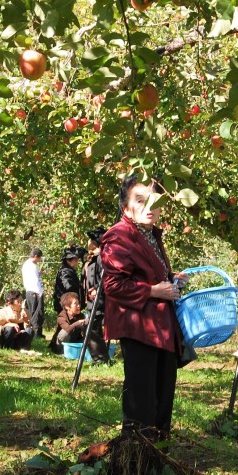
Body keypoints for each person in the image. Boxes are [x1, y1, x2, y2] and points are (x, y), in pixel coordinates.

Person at [101, 176, 187, 442]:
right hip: (138, 328)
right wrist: (152, 291)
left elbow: (146, 272)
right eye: (140, 201)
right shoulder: (119, 236)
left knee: (162, 392)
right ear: (126, 208)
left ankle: (158, 453)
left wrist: (171, 278)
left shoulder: (148, 234)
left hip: (160, 327)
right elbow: (113, 285)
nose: (149, 207)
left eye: (154, 201)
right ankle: (137, 454)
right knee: (142, 397)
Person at [83, 227, 110, 363]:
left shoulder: (102, 258)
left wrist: (96, 289)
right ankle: (101, 358)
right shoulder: (95, 258)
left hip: (99, 299)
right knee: (95, 328)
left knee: (90, 327)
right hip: (94, 299)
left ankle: (101, 358)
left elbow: (105, 278)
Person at [21, 248, 45, 341]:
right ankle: (36, 334)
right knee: (37, 313)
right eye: (39, 258)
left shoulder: (28, 265)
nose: (39, 260)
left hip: (32, 291)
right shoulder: (31, 265)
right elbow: (34, 281)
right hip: (34, 292)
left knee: (36, 312)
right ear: (35, 256)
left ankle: (37, 333)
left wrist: (39, 273)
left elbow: (32, 277)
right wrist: (39, 292)